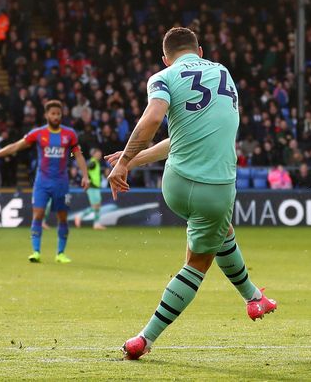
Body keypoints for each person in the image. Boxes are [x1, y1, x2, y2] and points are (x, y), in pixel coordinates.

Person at [102, 28, 276, 360]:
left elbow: (171, 132)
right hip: (216, 187)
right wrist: (124, 160)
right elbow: (155, 120)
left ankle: (254, 298)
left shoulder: (163, 76)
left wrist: (130, 160)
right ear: (200, 49)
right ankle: (144, 339)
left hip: (175, 185)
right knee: (196, 264)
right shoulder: (223, 73)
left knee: (219, 231)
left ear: (165, 57)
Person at [0, 100, 89, 262]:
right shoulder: (38, 133)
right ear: (46, 115)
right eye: (53, 113)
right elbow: (15, 146)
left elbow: (77, 155)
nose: (56, 117)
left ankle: (60, 253)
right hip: (42, 182)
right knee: (38, 214)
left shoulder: (69, 134)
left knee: (62, 217)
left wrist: (85, 176)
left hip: (61, 183)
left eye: (58, 114)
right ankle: (36, 252)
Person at [74, 148, 106, 230]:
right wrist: (87, 179)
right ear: (93, 154)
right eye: (98, 154)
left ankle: (96, 223)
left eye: (100, 154)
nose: (99, 155)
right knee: (95, 205)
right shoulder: (92, 163)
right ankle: (80, 216)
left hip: (96, 187)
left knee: (97, 206)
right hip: (91, 187)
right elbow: (84, 169)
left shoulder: (95, 162)